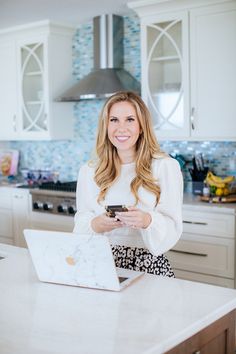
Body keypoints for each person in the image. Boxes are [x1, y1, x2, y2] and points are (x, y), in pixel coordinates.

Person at [73, 91, 183, 277]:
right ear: (105, 126)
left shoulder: (165, 166)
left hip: (148, 266)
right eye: (114, 120)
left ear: (141, 126)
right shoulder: (90, 170)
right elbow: (82, 220)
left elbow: (173, 226)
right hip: (100, 262)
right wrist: (96, 224)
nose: (121, 128)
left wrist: (147, 221)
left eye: (130, 119)